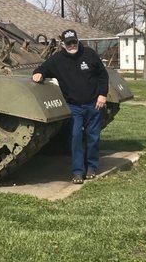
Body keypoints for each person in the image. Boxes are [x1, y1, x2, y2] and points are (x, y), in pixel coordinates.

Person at [32, 29, 108, 184]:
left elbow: (103, 75)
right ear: (63, 44)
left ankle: (92, 167)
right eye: (69, 43)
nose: (72, 45)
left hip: (94, 104)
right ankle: (78, 172)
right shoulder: (57, 59)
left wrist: (102, 94)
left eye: (74, 42)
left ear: (77, 40)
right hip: (74, 106)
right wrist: (38, 73)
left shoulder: (89, 54)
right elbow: (43, 68)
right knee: (76, 137)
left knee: (93, 137)